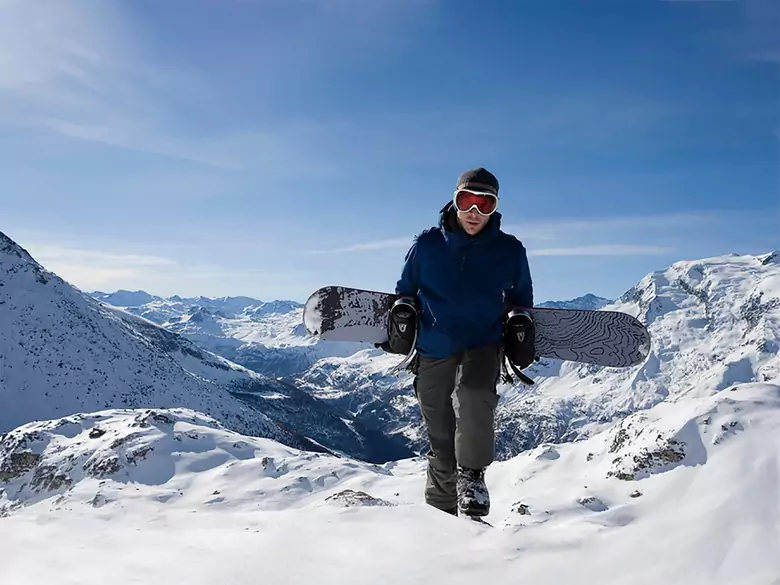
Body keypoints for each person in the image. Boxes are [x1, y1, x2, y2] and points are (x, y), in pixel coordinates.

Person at [390, 167, 534, 518]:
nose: (474, 211)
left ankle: (471, 477)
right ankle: (441, 515)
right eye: (467, 200)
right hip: (434, 344)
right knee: (440, 435)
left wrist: (519, 324)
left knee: (474, 395)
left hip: (484, 342)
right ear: (454, 201)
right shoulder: (427, 245)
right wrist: (404, 312)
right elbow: (405, 289)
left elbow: (521, 298)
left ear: (495, 208)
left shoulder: (510, 250)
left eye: (485, 204)